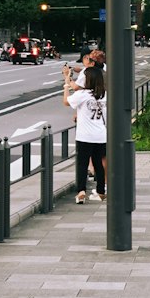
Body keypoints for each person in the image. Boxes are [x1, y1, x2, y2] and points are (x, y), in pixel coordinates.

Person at [64, 61, 107, 202]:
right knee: (98, 164)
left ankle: (81, 191)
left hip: (84, 136)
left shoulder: (82, 94)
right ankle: (101, 191)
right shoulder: (104, 95)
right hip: (100, 135)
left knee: (82, 164)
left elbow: (66, 102)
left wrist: (66, 84)